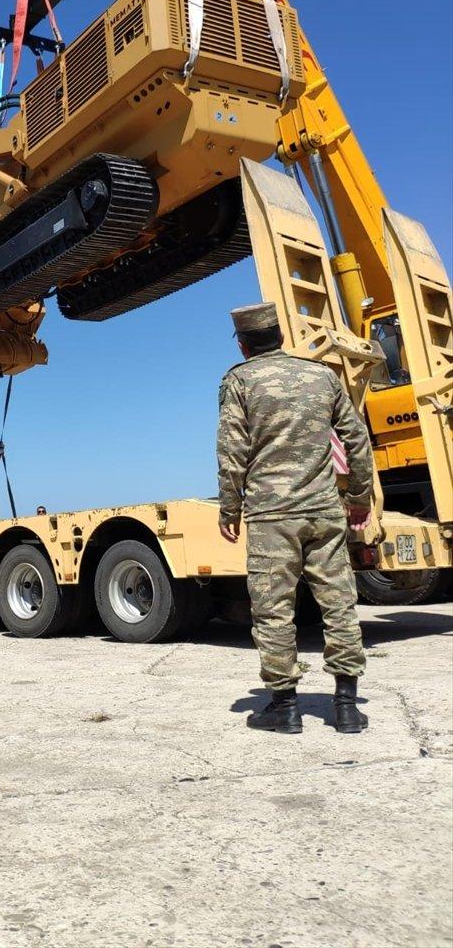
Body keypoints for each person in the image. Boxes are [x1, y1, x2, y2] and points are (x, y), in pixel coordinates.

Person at [217, 302, 373, 735]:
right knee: (339, 606)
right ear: (281, 337)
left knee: (274, 611)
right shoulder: (322, 376)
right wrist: (359, 496)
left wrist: (229, 507)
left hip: (271, 516)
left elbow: (232, 450)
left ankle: (285, 709)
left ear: (243, 345)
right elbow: (356, 438)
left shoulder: (240, 381)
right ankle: (346, 707)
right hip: (323, 511)